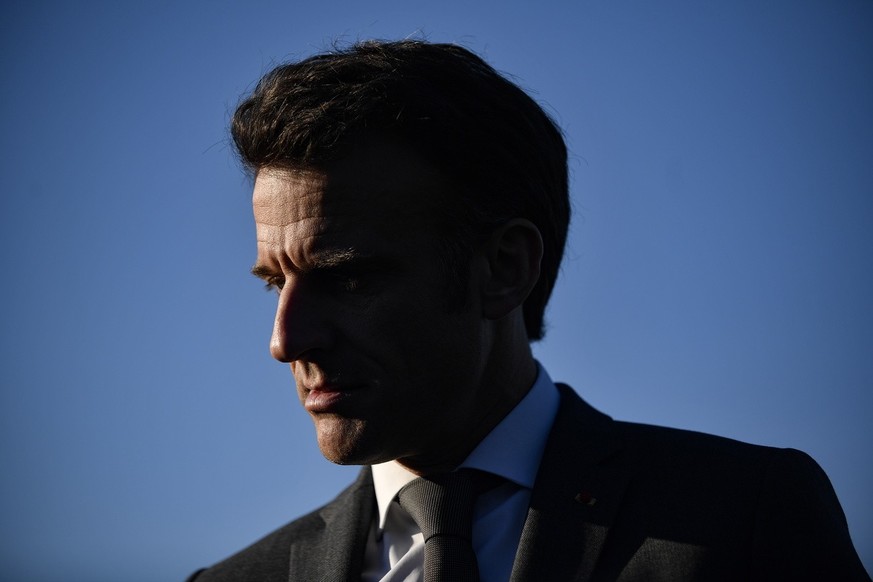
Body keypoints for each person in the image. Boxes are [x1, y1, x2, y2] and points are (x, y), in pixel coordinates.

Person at [188, 40, 869, 581]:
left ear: (505, 268)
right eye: (274, 283)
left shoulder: (743, 518)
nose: (286, 340)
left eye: (349, 279)